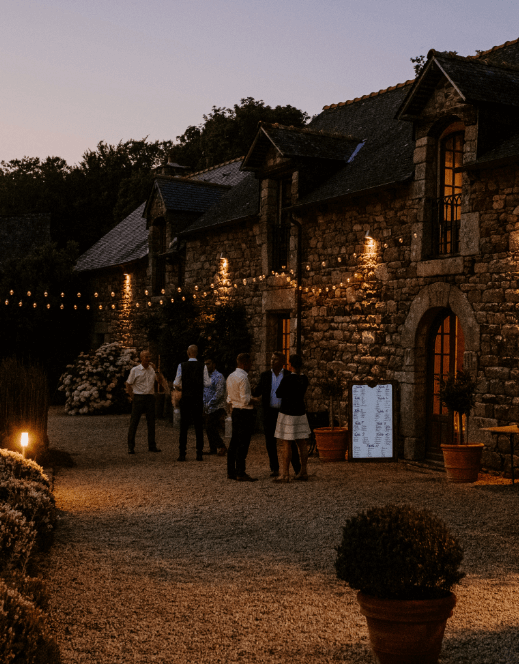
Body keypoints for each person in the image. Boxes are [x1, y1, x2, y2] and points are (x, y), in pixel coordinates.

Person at [252, 352, 301, 478]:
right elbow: (257, 391)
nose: (272, 361)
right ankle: (274, 468)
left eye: (275, 359)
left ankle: (297, 468)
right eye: (272, 358)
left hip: (284, 412)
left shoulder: (288, 375)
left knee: (289, 440)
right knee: (270, 441)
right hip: (269, 412)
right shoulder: (265, 376)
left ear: (282, 361)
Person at [273, 354, 311, 483]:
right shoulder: (304, 379)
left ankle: (285, 474)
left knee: (286, 443)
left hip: (288, 413)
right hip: (300, 412)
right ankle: (303, 471)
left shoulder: (288, 379)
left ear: (290, 365)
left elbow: (278, 393)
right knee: (302, 443)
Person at [173, 345, 211, 461]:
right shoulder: (202, 366)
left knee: (184, 426)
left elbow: (176, 382)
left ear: (188, 353)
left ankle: (182, 453)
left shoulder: (182, 365)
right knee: (198, 426)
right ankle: (199, 453)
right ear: (197, 353)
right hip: (197, 398)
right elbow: (207, 383)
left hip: (186, 398)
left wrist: (181, 387)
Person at [226, 353, 260, 481]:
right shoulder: (243, 378)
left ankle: (231, 471)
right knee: (243, 443)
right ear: (244, 364)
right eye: (250, 363)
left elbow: (229, 398)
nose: (251, 366)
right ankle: (241, 471)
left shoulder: (230, 376)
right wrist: (257, 400)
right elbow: (246, 400)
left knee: (234, 441)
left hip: (235, 410)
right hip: (245, 413)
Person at [126, 350, 163, 454]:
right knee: (134, 422)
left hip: (150, 398)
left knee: (151, 423)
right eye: (146, 357)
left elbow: (160, 381)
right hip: (139, 398)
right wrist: (133, 396)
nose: (148, 359)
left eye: (149, 357)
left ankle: (152, 445)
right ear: (141, 358)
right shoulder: (135, 370)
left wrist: (156, 370)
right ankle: (131, 446)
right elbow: (128, 384)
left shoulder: (152, 370)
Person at [203, 357, 227, 456]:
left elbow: (219, 393)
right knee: (208, 427)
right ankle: (213, 449)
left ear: (214, 364)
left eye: (208, 364)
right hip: (207, 407)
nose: (206, 366)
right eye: (205, 364)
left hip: (217, 407)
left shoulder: (219, 377)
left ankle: (222, 446)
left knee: (210, 427)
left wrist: (210, 403)